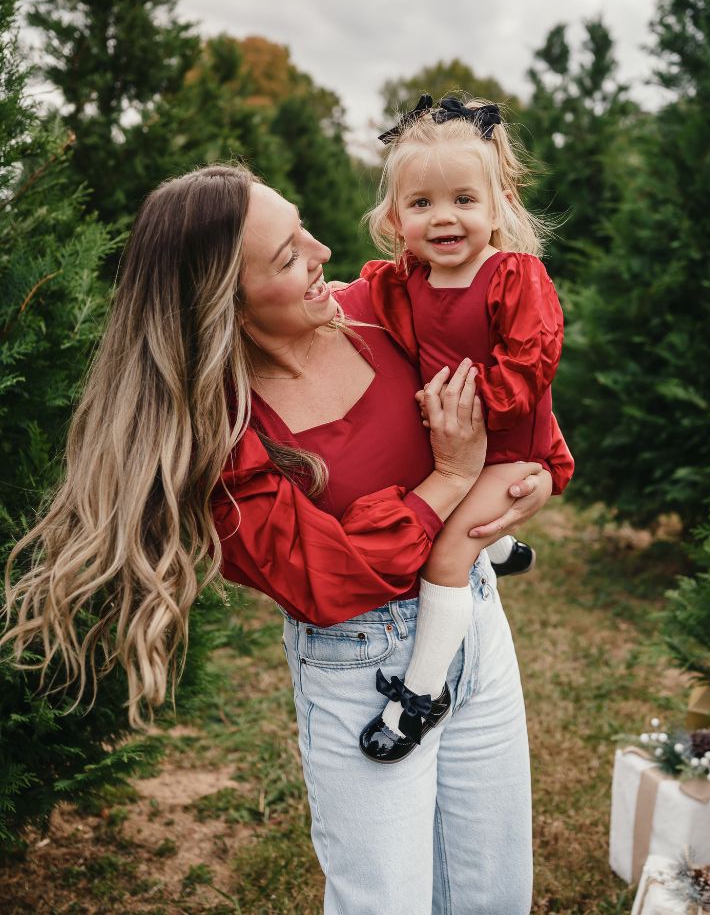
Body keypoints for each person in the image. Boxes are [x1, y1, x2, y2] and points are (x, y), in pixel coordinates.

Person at [2, 163, 556, 915]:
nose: (323, 249)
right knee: (385, 903)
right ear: (222, 302)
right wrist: (450, 481)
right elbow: (322, 579)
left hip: (473, 620)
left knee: (494, 892)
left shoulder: (382, 311)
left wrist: (539, 470)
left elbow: (510, 371)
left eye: (302, 230)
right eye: (289, 255)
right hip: (364, 665)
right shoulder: (221, 434)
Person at [356, 94, 574, 759]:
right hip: (452, 447)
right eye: (421, 204)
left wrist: (471, 414)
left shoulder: (514, 275)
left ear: (498, 202)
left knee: (446, 555)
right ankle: (501, 548)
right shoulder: (410, 281)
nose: (443, 217)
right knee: (441, 513)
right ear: (396, 218)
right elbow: (363, 304)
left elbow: (532, 359)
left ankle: (421, 695)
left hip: (506, 448)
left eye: (462, 200)